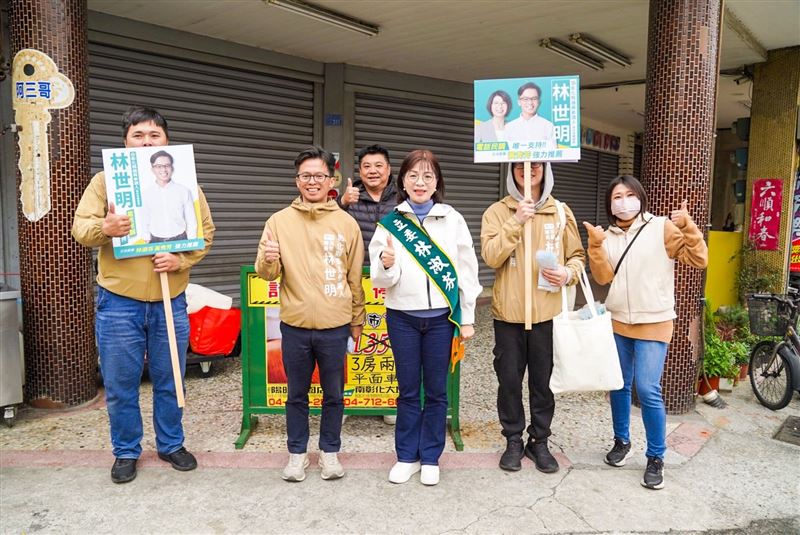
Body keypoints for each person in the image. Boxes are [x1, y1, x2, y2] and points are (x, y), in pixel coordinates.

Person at [72, 106, 215, 484]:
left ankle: (171, 444)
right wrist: (106, 227)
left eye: (154, 136)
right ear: (125, 141)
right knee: (121, 383)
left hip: (171, 300)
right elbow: (81, 229)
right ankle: (126, 450)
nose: (147, 142)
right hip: (119, 302)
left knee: (171, 378)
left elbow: (206, 233)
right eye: (139, 135)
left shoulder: (189, 186)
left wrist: (180, 258)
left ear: (166, 143)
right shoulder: (105, 182)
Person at [583, 175, 707, 490]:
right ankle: (622, 442)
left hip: (655, 320)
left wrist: (689, 227)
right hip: (618, 321)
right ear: (610, 204)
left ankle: (656, 456)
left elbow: (699, 259)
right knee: (619, 385)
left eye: (628, 195)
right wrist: (595, 246)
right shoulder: (607, 235)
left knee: (647, 387)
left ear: (640, 197)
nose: (623, 202)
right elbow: (602, 276)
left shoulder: (662, 227)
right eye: (616, 197)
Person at [370, 149, 482, 486]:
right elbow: (380, 279)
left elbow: (467, 271)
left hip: (440, 320)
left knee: (436, 391)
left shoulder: (453, 219)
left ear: (437, 183)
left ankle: (430, 456)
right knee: (407, 390)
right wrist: (388, 265)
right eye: (414, 176)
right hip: (401, 317)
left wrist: (468, 317)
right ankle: (406, 456)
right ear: (402, 181)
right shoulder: (390, 222)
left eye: (428, 176)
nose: (420, 182)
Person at [255, 145, 365, 483]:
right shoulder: (278, 222)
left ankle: (330, 453)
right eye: (306, 176)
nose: (312, 181)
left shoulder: (347, 224)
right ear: (297, 181)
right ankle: (297, 454)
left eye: (319, 175)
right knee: (296, 395)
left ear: (330, 179)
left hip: (335, 326)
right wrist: (270, 258)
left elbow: (354, 278)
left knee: (334, 394)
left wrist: (357, 320)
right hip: (296, 326)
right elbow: (266, 274)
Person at [480, 161, 584, 473]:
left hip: (547, 314)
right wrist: (516, 221)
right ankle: (513, 439)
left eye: (536, 164)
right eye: (522, 165)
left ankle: (539, 441)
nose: (529, 170)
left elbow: (577, 256)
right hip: (508, 315)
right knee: (509, 381)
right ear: (512, 170)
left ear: (546, 169)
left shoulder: (561, 212)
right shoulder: (497, 212)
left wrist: (567, 273)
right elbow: (490, 256)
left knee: (543, 383)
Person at [339, 144, 398, 426]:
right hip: (353, 277)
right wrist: (341, 204)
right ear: (359, 171)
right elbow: (327, 224)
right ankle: (350, 398)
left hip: (393, 276)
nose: (373, 171)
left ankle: (387, 399)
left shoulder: (403, 196)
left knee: (388, 338)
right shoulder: (350, 197)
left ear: (389, 169)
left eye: (378, 166)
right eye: (367, 166)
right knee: (354, 338)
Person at [141, 150, 197, 243]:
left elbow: (191, 218)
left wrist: (191, 240)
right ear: (152, 169)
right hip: (155, 240)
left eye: (167, 165)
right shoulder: (146, 193)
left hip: (180, 239)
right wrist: (146, 237)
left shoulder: (184, 191)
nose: (163, 170)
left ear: (172, 168)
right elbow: (145, 217)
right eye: (159, 166)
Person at [504, 82, 557, 149]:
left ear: (539, 102)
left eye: (534, 99)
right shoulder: (509, 127)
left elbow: (554, 154)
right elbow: (505, 155)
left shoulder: (548, 126)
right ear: (519, 102)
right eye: (525, 99)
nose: (530, 102)